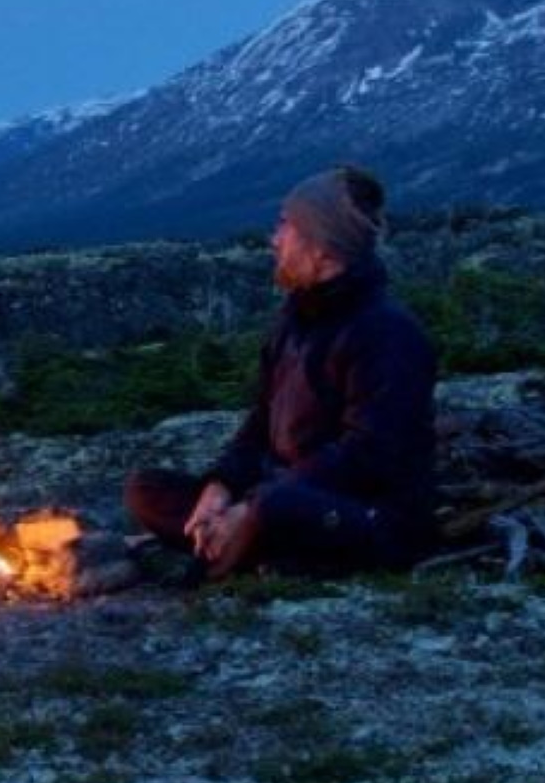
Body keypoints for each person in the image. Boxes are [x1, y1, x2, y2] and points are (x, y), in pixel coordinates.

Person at [124, 165, 437, 579]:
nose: (275, 240)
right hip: (277, 491)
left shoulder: (386, 333)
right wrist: (220, 489)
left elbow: (368, 458)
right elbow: (258, 427)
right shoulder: (293, 324)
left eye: (286, 227)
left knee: (276, 509)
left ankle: (230, 553)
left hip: (366, 513)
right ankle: (237, 543)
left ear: (323, 248)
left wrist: (254, 502)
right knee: (144, 490)